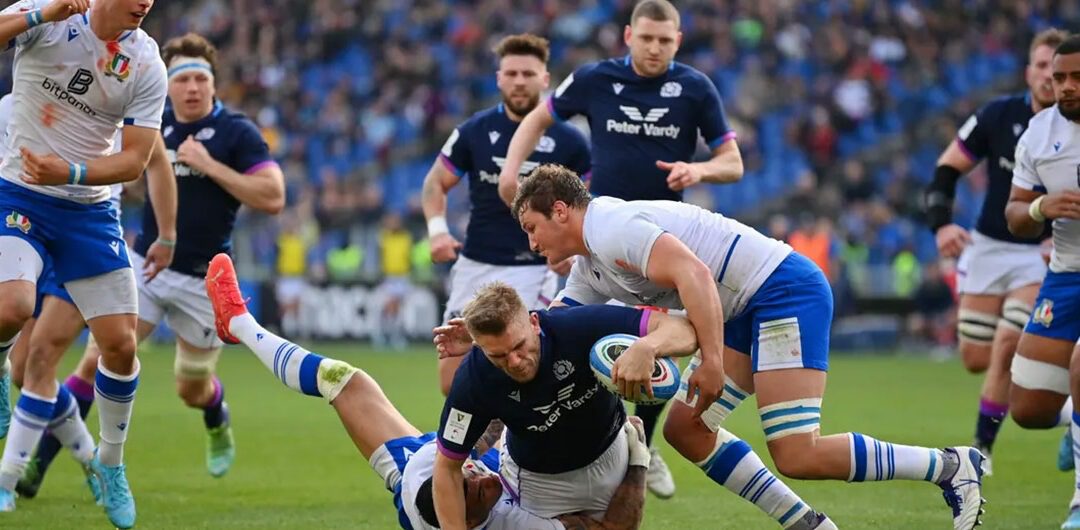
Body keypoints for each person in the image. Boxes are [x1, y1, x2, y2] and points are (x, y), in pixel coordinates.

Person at [513, 164, 986, 530]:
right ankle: (808, 524)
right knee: (685, 429)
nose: (532, 243)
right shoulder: (589, 264)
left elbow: (694, 274)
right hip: (742, 307)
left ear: (560, 210)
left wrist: (712, 362)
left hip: (781, 290)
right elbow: (549, 330)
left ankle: (948, 466)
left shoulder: (611, 226)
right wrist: (478, 339)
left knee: (798, 452)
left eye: (532, 228)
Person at [204, 253, 650, 530]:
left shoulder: (447, 476)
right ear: (475, 520)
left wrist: (480, 343)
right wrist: (637, 461)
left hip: (422, 467)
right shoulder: (512, 521)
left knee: (341, 380)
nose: (481, 475)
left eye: (470, 479)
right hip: (448, 482)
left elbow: (454, 465)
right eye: (477, 489)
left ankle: (240, 324)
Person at [497, 0, 744, 498]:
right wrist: (510, 168)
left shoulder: (695, 88)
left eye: (666, 41)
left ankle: (643, 446)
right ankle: (584, 437)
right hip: (595, 232)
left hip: (655, 241)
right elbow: (537, 120)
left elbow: (733, 161)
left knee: (655, 340)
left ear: (678, 40)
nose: (655, 48)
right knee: (581, 334)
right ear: (628, 36)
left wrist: (699, 171)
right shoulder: (594, 78)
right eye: (647, 38)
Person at [35, 32, 284, 489]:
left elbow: (273, 196)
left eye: (199, 78)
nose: (191, 87)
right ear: (167, 84)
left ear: (213, 84)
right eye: (182, 78)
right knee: (95, 362)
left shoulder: (236, 132)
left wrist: (209, 165)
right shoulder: (152, 122)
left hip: (205, 280)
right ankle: (36, 467)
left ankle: (215, 415)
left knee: (191, 388)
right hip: (146, 268)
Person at [430, 281, 832, 530]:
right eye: (500, 357)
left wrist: (647, 347)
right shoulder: (474, 380)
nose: (515, 362)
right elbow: (447, 466)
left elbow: (680, 329)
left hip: (611, 455)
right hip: (539, 483)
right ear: (481, 349)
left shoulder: (577, 327)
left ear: (534, 322)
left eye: (520, 347)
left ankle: (640, 453)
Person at [0, 1, 167, 526]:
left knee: (119, 344)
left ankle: (110, 466)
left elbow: (136, 160)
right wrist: (39, 16)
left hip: (88, 210)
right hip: (19, 193)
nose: (143, 1)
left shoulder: (145, 62)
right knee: (13, 306)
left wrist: (69, 171)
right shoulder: (49, 13)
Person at [923, 28, 1069, 474]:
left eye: (1058, 69)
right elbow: (947, 168)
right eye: (1042, 66)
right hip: (988, 247)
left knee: (1008, 345)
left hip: (1040, 255)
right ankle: (1070, 416)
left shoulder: (1072, 128)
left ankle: (980, 452)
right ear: (1029, 72)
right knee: (977, 358)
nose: (1049, 76)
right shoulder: (998, 114)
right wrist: (943, 224)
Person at [420, 33, 590, 393]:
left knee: (519, 365)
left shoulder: (569, 141)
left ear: (545, 79)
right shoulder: (474, 131)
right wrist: (437, 230)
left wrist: (571, 248)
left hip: (535, 267)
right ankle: (485, 443)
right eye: (511, 73)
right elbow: (435, 183)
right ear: (499, 78)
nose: (519, 81)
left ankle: (509, 447)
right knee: (452, 381)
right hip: (476, 263)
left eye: (528, 74)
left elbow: (588, 203)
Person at [1001, 35, 1080, 530]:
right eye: (1059, 78)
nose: (1067, 87)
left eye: (1077, 78)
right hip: (1066, 275)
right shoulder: (1038, 133)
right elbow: (1015, 214)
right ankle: (1075, 421)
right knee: (1028, 408)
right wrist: (1039, 208)